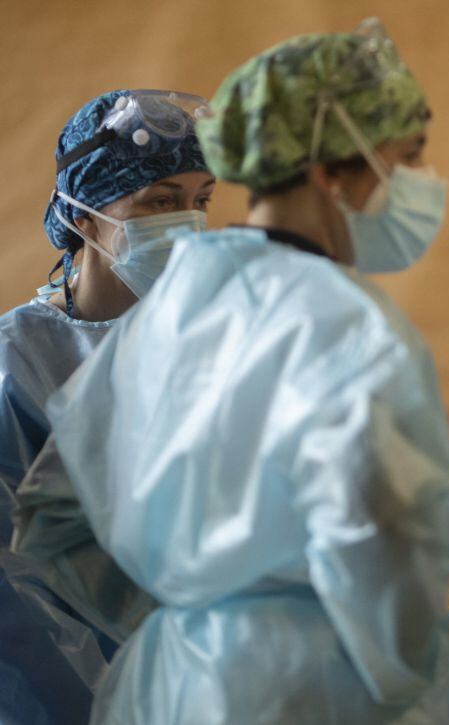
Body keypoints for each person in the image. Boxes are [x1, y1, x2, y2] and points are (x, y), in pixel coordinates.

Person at [39, 21, 449, 725]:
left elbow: (54, 516)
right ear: (331, 172)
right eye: (408, 157)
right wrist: (405, 684)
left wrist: (188, 610)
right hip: (312, 691)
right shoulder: (350, 327)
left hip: (168, 686)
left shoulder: (174, 302)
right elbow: (389, 552)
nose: (423, 182)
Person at [0, 88, 212, 725]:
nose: (189, 223)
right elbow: (14, 596)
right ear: (84, 216)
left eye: (201, 201)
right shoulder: (17, 367)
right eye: (161, 202)